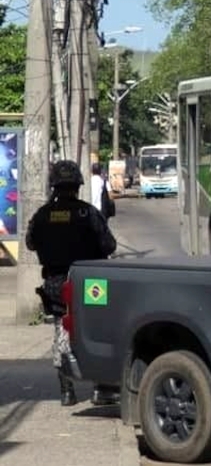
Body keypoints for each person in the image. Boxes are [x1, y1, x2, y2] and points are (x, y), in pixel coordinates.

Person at [25, 160, 117, 406]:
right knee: (98, 329)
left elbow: (30, 243)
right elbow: (109, 245)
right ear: (77, 185)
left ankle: (66, 391)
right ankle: (101, 389)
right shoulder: (88, 213)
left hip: (55, 282)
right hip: (89, 283)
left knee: (61, 332)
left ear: (53, 186)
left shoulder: (42, 216)